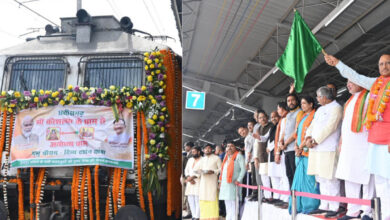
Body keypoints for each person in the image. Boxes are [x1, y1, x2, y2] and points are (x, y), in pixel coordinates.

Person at [325, 53, 390, 220]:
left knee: (380, 179)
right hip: (371, 140)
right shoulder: (374, 84)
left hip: (379, 141)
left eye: (388, 63)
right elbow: (354, 76)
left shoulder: (372, 92)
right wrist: (338, 63)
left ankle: (374, 212)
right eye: (381, 63)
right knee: (377, 180)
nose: (384, 66)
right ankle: (371, 213)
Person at [335, 80, 375, 220]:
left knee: (366, 178)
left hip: (364, 143)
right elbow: (345, 124)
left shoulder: (370, 96)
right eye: (346, 82)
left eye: (351, 81)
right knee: (349, 176)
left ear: (360, 81)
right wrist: (341, 140)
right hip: (349, 146)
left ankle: (367, 211)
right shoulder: (348, 101)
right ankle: (352, 210)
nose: (348, 85)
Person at [305, 86, 343, 217]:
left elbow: (330, 127)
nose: (317, 99)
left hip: (329, 148)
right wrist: (308, 138)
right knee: (321, 178)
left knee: (330, 178)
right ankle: (324, 205)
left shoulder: (337, 108)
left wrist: (315, 140)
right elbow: (312, 125)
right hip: (316, 149)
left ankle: (334, 206)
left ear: (325, 97)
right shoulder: (320, 109)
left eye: (318, 96)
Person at [288, 96, 320, 214]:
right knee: (299, 181)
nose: (302, 106)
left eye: (304, 103)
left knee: (309, 181)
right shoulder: (302, 116)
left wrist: (301, 147)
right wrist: (296, 146)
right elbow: (297, 134)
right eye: (301, 103)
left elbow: (311, 135)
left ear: (311, 104)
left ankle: (310, 205)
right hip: (299, 152)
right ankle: (299, 206)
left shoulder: (315, 115)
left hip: (308, 152)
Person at [279, 93, 302, 188]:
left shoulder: (300, 112)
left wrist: (286, 143)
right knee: (289, 174)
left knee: (295, 174)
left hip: (294, 148)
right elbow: (284, 131)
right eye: (288, 101)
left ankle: (297, 198)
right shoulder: (288, 115)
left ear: (297, 101)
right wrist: (281, 142)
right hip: (286, 149)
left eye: (292, 100)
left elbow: (297, 131)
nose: (290, 102)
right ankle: (292, 197)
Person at [194, 144, 222, 220]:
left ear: (212, 149)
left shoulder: (217, 158)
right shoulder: (202, 159)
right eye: (206, 148)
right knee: (203, 198)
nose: (207, 150)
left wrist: (213, 171)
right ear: (203, 150)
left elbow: (221, 169)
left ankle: (214, 218)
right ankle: (204, 218)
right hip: (203, 183)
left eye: (209, 148)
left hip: (212, 182)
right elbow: (196, 169)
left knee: (212, 198)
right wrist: (199, 171)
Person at [219, 141, 245, 220]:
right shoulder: (226, 157)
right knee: (228, 207)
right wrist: (220, 182)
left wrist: (239, 179)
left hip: (234, 185)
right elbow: (222, 171)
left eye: (231, 146)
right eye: (228, 146)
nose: (229, 148)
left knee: (234, 207)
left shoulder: (239, 156)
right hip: (225, 186)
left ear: (235, 148)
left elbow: (243, 169)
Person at [273, 102, 291, 208]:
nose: (278, 111)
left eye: (278, 109)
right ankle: (285, 198)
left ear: (282, 108)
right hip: (283, 150)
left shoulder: (286, 118)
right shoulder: (282, 119)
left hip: (285, 149)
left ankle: (287, 198)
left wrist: (278, 151)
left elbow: (283, 135)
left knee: (286, 176)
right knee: (284, 176)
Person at [253, 111, 273, 202]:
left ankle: (272, 196)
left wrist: (258, 137)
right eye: (260, 118)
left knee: (271, 176)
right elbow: (256, 144)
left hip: (269, 155)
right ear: (258, 119)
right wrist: (256, 158)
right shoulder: (259, 128)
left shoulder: (271, 126)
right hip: (261, 155)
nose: (262, 119)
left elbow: (265, 138)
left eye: (264, 117)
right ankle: (267, 196)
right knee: (264, 177)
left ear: (267, 117)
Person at [184, 146, 202, 220]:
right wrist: (189, 178)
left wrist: (193, 177)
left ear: (199, 152)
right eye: (192, 152)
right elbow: (186, 170)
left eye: (194, 152)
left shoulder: (203, 160)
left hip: (198, 181)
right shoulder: (190, 159)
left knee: (197, 199)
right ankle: (194, 216)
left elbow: (202, 171)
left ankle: (197, 216)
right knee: (191, 199)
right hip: (190, 182)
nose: (193, 153)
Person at [182, 141, 194, 219]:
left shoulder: (192, 155)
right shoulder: (188, 154)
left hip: (190, 178)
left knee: (189, 195)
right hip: (188, 177)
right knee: (188, 195)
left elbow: (188, 168)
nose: (184, 147)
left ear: (189, 146)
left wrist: (187, 178)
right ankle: (190, 212)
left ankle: (191, 212)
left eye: (185, 146)